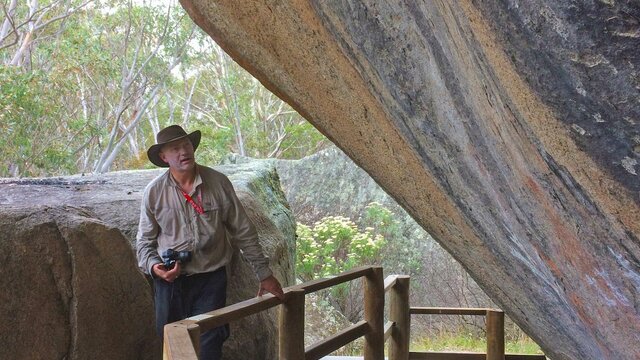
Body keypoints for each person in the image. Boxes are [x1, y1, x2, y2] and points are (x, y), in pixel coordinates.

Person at [136, 124, 285, 359]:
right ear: (164, 157)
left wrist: (264, 274)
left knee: (209, 345)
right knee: (173, 346)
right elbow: (144, 242)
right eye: (175, 148)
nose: (183, 151)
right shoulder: (154, 193)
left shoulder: (218, 183)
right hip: (170, 284)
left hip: (210, 280)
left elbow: (243, 231)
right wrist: (156, 268)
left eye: (186, 145)